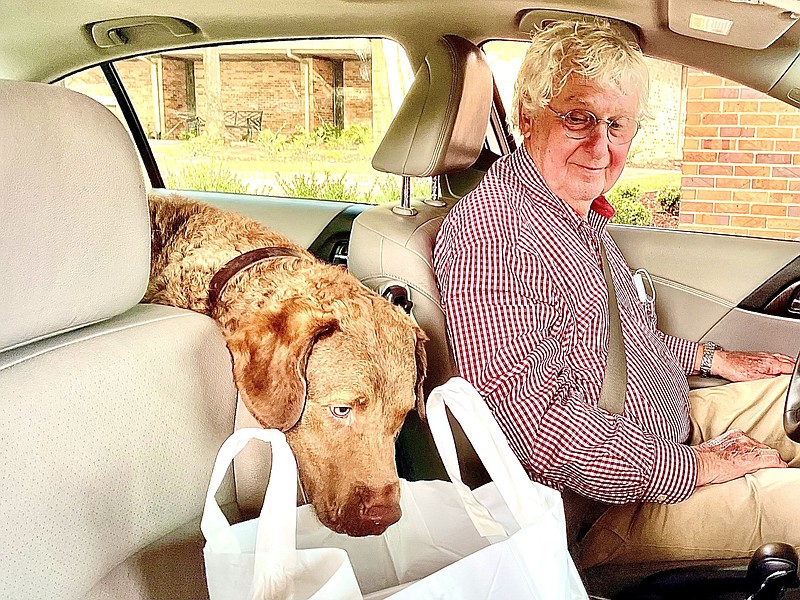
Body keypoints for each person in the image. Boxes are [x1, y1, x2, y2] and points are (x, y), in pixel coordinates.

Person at [433, 18, 799, 567]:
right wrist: (699, 466)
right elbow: (536, 433)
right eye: (578, 118)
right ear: (527, 118)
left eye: (619, 124)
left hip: (671, 431)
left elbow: (618, 339)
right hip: (613, 503)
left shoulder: (574, 214)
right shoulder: (493, 236)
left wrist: (714, 357)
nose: (601, 147)